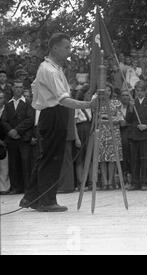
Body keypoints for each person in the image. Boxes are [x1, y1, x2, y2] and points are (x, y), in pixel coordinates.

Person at [20, 33, 95, 212]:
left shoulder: (54, 68)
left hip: (54, 113)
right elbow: (63, 99)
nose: (69, 51)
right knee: (52, 159)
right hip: (53, 114)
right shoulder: (50, 70)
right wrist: (88, 105)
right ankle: (47, 200)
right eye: (66, 47)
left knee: (46, 157)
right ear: (54, 47)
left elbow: (36, 88)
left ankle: (31, 197)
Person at [1, 80, 34, 194]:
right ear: (13, 89)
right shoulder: (8, 104)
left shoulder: (28, 103)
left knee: (25, 163)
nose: (18, 89)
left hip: (24, 137)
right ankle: (16, 187)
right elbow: (3, 120)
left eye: (20, 87)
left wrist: (17, 130)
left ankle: (27, 188)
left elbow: (30, 119)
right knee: (13, 164)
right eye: (16, 87)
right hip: (12, 139)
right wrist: (10, 130)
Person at [126, 81, 147, 191]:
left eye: (141, 90)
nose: (139, 93)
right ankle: (135, 183)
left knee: (145, 159)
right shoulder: (132, 103)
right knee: (134, 159)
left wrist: (146, 126)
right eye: (137, 90)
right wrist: (130, 109)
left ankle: (145, 182)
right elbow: (128, 120)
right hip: (134, 134)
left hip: (146, 134)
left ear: (145, 91)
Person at [97, 84, 124, 191]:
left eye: (109, 90)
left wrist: (105, 118)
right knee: (102, 158)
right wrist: (110, 119)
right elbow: (96, 120)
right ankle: (104, 181)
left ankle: (111, 180)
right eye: (105, 90)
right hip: (102, 133)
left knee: (112, 158)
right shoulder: (98, 104)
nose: (107, 92)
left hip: (113, 133)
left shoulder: (116, 103)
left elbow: (119, 119)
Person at [0, 92, 11, 195]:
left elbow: (9, 125)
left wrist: (5, 141)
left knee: (4, 166)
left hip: (4, 141)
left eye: (1, 98)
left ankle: (4, 188)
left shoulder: (7, 110)